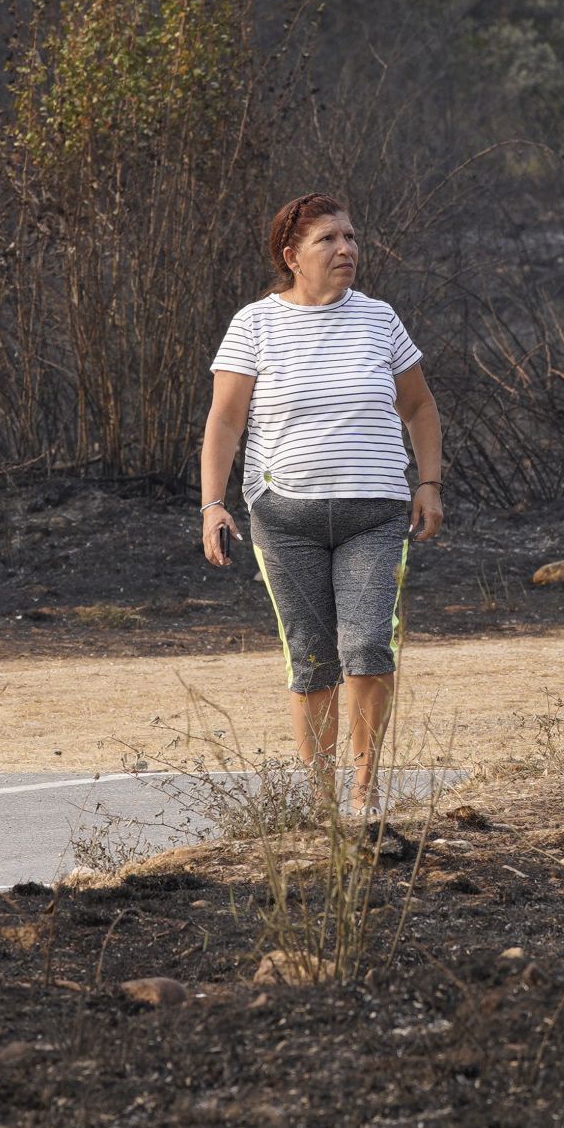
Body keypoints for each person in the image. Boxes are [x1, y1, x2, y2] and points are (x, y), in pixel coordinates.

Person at [197, 192, 444, 818]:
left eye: (352, 238)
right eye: (328, 240)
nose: (346, 250)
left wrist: (430, 483)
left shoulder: (380, 318)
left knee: (367, 647)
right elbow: (225, 421)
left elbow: (418, 406)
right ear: (292, 255)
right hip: (284, 518)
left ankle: (364, 793)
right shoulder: (254, 324)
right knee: (310, 656)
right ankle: (319, 804)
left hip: (376, 514)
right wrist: (213, 504)